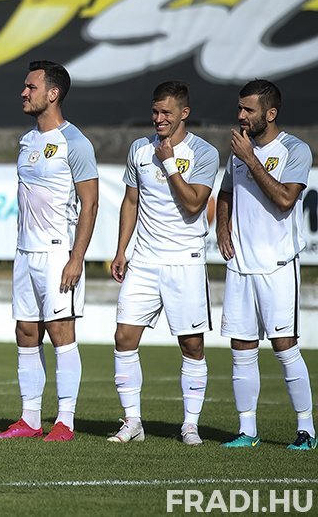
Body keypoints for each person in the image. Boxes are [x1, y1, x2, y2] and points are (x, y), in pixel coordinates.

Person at [108, 81, 218, 445]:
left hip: (185, 261)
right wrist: (121, 250)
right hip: (144, 260)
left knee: (192, 345)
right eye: (155, 112)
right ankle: (132, 422)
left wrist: (169, 161)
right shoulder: (139, 149)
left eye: (166, 113)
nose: (159, 119)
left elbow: (194, 204)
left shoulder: (204, 153)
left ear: (184, 113)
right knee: (124, 337)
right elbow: (131, 201)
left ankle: (190, 425)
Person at [0, 60, 98, 442]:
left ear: (53, 94)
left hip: (57, 254)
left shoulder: (76, 143)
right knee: (25, 331)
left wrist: (76, 258)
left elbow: (90, 204)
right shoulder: (26, 141)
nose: (23, 93)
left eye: (31, 87)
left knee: (60, 332)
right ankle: (30, 418)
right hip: (25, 252)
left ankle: (65, 421)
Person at [216, 79, 314, 451]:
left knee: (284, 346)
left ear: (270, 114)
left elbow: (285, 199)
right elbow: (225, 192)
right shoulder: (239, 150)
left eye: (249, 109)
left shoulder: (294, 149)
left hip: (277, 266)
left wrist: (251, 159)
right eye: (240, 108)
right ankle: (247, 431)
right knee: (241, 348)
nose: (241, 115)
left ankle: (306, 430)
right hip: (240, 266)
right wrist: (222, 227)